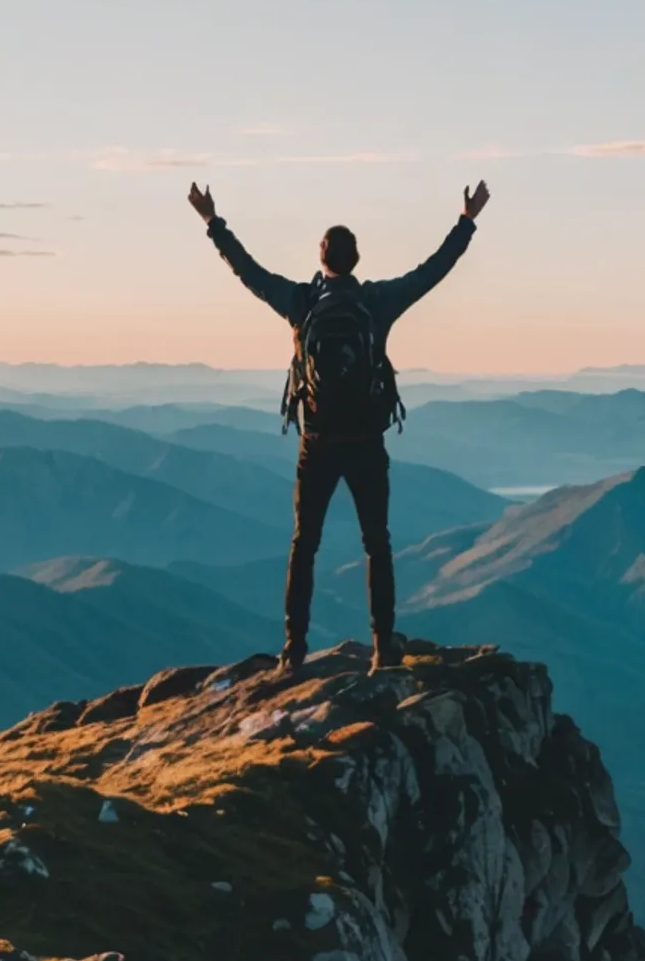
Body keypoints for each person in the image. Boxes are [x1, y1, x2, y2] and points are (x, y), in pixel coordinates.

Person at [188, 179, 489, 673]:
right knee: (377, 543)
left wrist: (212, 222)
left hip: (318, 443)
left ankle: (293, 650)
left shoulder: (301, 302)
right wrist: (466, 221)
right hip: (367, 443)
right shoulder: (377, 303)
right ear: (357, 259)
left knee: (304, 544)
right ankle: (383, 646)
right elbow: (434, 271)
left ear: (321, 257)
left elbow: (248, 271)